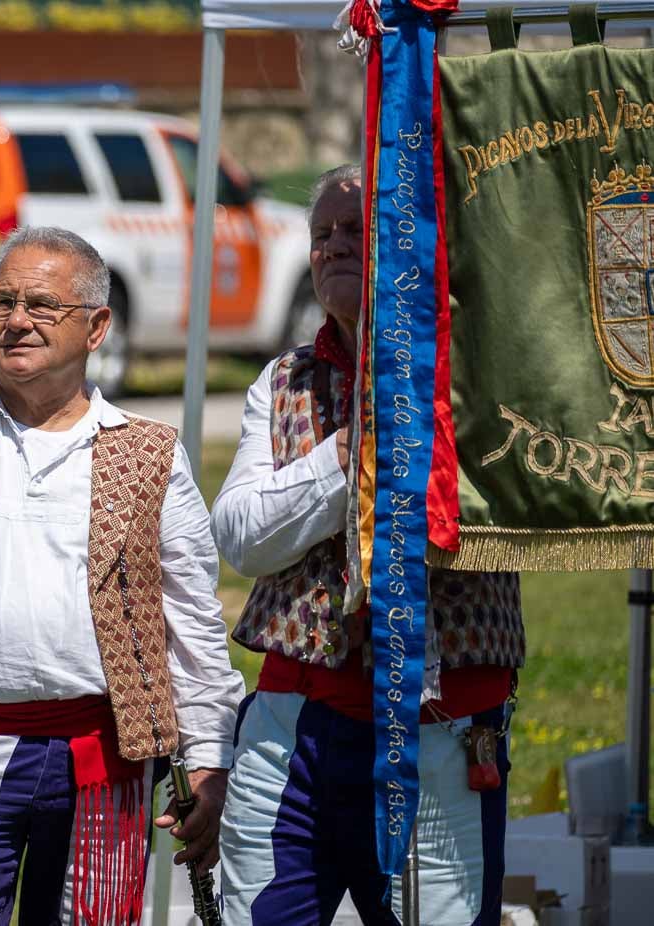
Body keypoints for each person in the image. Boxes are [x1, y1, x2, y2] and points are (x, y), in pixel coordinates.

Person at [0, 226, 244, 925]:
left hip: (103, 757)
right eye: (1, 303)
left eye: (41, 305)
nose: (17, 321)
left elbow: (190, 622)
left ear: (96, 328)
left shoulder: (147, 453)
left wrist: (207, 757)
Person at [212, 164, 525, 925]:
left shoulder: (481, 380)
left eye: (358, 231)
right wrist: (351, 453)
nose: (333, 247)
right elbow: (242, 537)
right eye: (322, 234)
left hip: (441, 729)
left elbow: (503, 514)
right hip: (295, 730)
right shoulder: (284, 379)